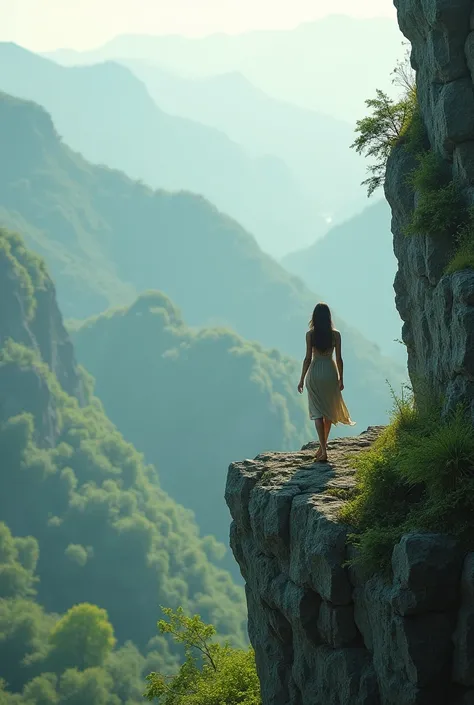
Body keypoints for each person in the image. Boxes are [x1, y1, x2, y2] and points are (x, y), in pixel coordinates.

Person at [298, 302, 355, 462]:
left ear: (314, 317)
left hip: (315, 373)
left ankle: (323, 450)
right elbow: (339, 359)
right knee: (328, 413)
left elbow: (308, 358)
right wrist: (341, 378)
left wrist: (302, 379)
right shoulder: (336, 334)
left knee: (317, 413)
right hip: (330, 372)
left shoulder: (310, 335)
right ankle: (323, 449)